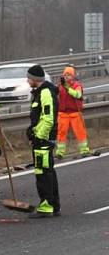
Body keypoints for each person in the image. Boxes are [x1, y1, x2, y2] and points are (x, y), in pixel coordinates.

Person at [26, 64, 60, 218]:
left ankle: (47, 205)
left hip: (43, 140)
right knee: (47, 170)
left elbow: (48, 118)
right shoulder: (41, 92)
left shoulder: (45, 92)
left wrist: (39, 136)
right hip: (43, 138)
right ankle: (53, 205)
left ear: (34, 79)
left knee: (43, 172)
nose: (27, 81)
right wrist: (31, 130)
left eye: (29, 78)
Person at [56, 65, 91, 159]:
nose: (67, 76)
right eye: (65, 75)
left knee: (80, 132)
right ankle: (60, 152)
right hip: (63, 114)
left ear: (73, 76)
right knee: (61, 133)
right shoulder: (60, 86)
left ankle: (84, 150)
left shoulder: (77, 86)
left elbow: (77, 95)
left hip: (75, 113)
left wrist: (67, 88)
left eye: (69, 75)